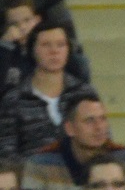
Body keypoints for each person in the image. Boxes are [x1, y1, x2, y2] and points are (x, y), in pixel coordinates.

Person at [0, 25, 91, 160]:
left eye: (60, 45)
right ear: (32, 50)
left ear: (68, 50)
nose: (54, 51)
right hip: (31, 171)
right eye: (46, 45)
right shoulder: (14, 99)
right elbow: (6, 154)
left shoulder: (84, 94)